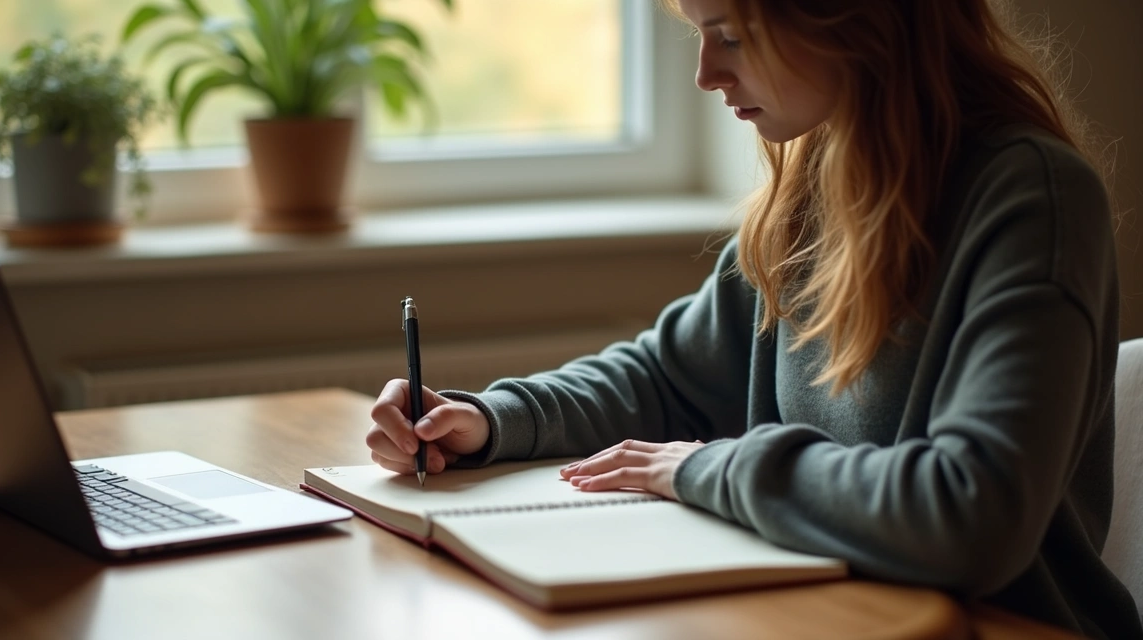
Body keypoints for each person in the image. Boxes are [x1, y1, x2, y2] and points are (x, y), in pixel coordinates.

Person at [365, 0, 1143, 637]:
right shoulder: (809, 191)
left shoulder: (1032, 201)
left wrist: (707, 467)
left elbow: (970, 511)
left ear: (854, 20)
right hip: (819, 617)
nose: (705, 74)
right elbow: (666, 376)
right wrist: (486, 418)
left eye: (731, 35)